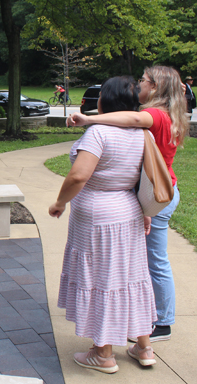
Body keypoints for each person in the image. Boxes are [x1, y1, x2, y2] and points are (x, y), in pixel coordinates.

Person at [67, 66, 189, 343]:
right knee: (146, 261)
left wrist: (88, 120)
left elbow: (134, 118)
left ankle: (160, 322)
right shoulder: (171, 113)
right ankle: (147, 323)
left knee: (151, 262)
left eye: (144, 82)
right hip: (162, 189)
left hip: (153, 194)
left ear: (156, 88)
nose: (139, 87)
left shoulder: (154, 115)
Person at [49, 76, 157, 374]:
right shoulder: (141, 132)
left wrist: (59, 202)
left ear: (103, 101)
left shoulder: (99, 133)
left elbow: (78, 176)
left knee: (102, 279)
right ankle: (144, 347)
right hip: (129, 209)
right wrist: (145, 210)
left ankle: (103, 353)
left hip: (98, 215)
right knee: (131, 275)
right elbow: (142, 176)